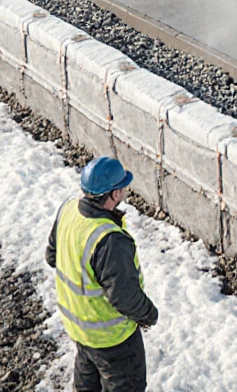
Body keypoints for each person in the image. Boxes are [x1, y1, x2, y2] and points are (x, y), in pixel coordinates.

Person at [46, 156, 159, 392]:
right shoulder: (109, 239)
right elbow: (123, 296)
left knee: (87, 385)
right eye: (123, 187)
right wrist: (148, 314)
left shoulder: (68, 210)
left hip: (80, 329)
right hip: (113, 340)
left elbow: (51, 256)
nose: (126, 191)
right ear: (115, 194)